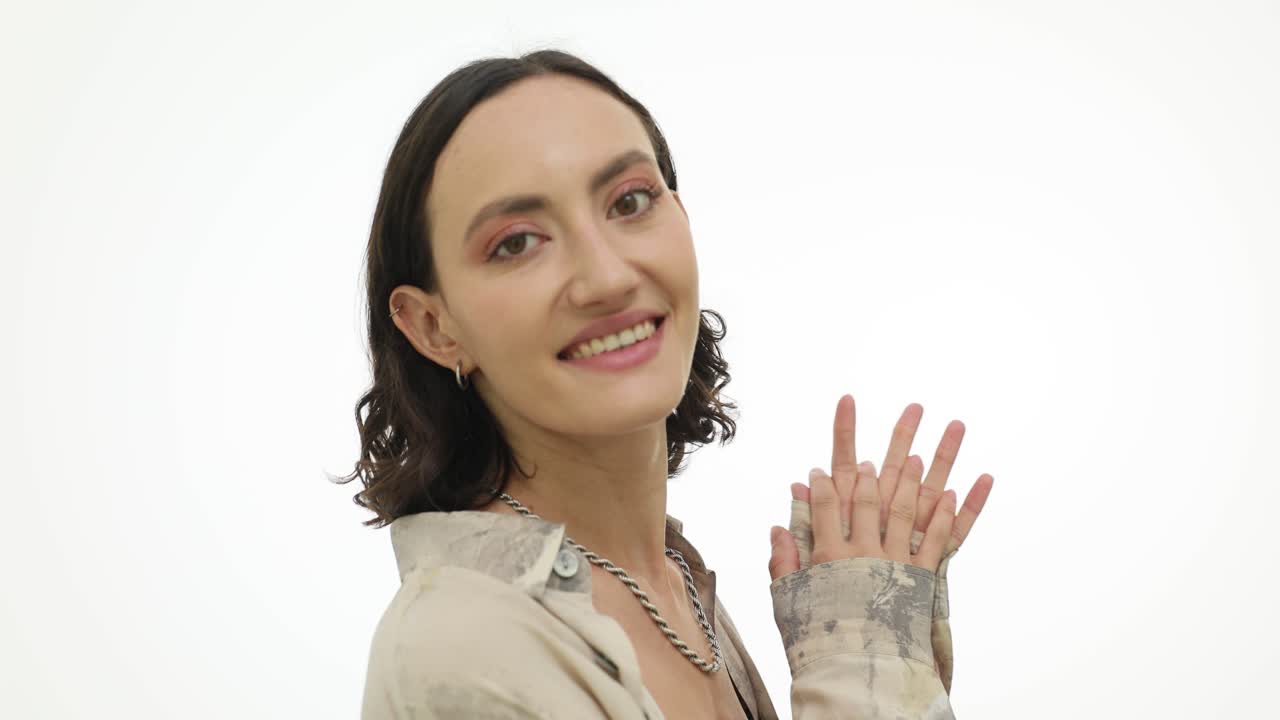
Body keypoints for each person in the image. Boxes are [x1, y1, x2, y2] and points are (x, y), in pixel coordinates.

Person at [337, 48, 993, 719]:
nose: (609, 277)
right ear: (432, 325)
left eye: (631, 200)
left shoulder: (673, 584)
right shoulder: (460, 651)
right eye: (517, 242)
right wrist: (863, 659)